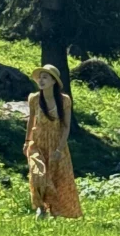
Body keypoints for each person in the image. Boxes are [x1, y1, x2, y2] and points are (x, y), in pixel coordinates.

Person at [24, 64, 82, 218]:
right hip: (37, 143)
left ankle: (55, 212)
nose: (41, 80)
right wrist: (27, 141)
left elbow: (66, 126)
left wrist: (59, 149)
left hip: (57, 144)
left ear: (54, 81)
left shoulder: (64, 101)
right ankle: (41, 208)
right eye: (40, 77)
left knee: (59, 179)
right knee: (38, 174)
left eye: (45, 77)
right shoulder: (34, 99)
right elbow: (31, 121)